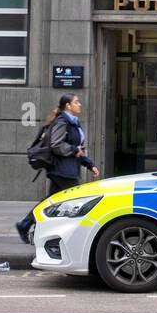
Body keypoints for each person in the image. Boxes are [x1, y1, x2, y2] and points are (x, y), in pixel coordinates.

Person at [15, 93, 99, 244]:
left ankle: (25, 225)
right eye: (76, 102)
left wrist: (89, 164)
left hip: (67, 169)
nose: (79, 104)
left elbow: (78, 148)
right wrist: (74, 150)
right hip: (62, 171)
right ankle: (81, 237)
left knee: (49, 202)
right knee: (79, 202)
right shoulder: (63, 121)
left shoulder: (73, 122)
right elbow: (56, 144)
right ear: (68, 105)